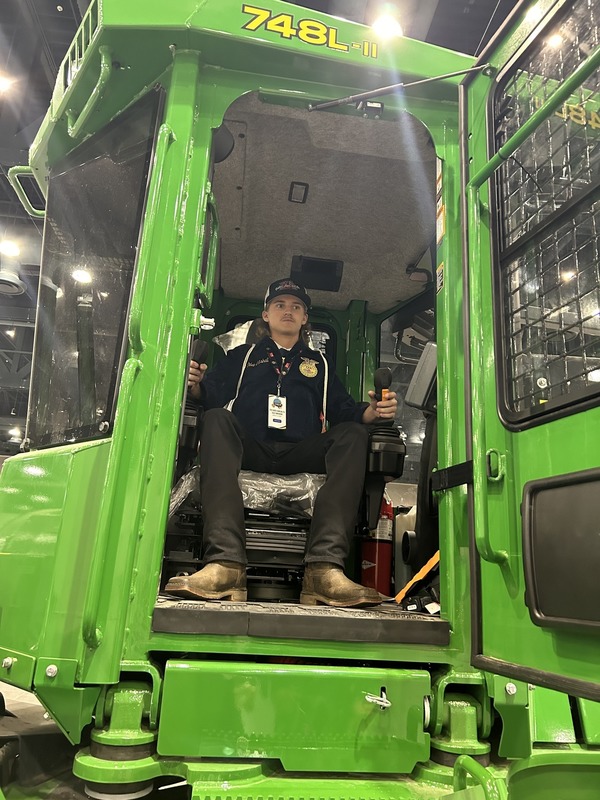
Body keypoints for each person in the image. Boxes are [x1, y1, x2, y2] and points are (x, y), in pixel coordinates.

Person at [165, 278, 398, 607]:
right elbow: (211, 394)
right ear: (265, 314)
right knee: (216, 418)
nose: (287, 311)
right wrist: (194, 385)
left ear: (304, 319)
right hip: (252, 450)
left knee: (354, 434)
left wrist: (373, 412)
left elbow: (344, 411)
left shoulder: (319, 365)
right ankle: (225, 564)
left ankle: (324, 570)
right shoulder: (245, 357)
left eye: (296, 307)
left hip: (300, 452)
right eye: (280, 305)